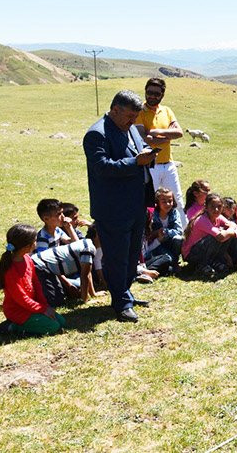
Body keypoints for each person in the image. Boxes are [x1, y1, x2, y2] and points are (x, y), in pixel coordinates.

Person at [83, 90, 156, 323]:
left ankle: (125, 293)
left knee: (132, 254)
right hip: (113, 208)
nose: (133, 122)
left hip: (135, 204)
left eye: (136, 117)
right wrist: (136, 162)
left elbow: (137, 153)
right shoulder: (97, 134)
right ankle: (121, 303)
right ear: (115, 110)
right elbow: (102, 167)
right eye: (130, 116)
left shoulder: (130, 128)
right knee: (117, 256)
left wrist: (147, 156)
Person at [0, 224, 66, 336]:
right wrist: (42, 309)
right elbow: (21, 298)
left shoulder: (28, 259)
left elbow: (36, 284)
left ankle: (30, 323)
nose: (36, 242)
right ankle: (11, 327)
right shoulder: (11, 270)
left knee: (61, 321)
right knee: (53, 327)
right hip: (18, 311)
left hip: (32, 307)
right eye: (35, 240)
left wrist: (44, 306)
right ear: (26, 246)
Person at [135, 78, 187, 226]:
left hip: (168, 164)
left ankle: (183, 235)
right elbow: (145, 139)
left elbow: (179, 133)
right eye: (149, 92)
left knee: (177, 200)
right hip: (150, 165)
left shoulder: (167, 111)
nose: (152, 96)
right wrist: (167, 137)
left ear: (162, 94)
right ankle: (148, 235)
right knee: (149, 203)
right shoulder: (140, 112)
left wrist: (156, 132)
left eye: (156, 93)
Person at [182, 193, 237, 278]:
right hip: (191, 254)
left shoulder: (219, 217)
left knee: (226, 234)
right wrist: (231, 228)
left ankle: (214, 262)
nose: (216, 209)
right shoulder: (202, 220)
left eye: (219, 206)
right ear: (206, 207)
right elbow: (220, 236)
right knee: (215, 236)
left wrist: (230, 230)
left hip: (203, 250)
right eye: (212, 206)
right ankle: (201, 265)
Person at [146, 188, 184, 274]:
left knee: (178, 239)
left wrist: (165, 231)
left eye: (170, 201)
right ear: (157, 203)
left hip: (169, 242)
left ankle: (174, 263)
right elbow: (148, 234)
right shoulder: (153, 215)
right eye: (164, 201)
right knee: (168, 258)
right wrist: (157, 233)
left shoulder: (174, 213)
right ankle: (171, 264)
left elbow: (179, 231)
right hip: (157, 244)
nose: (167, 204)